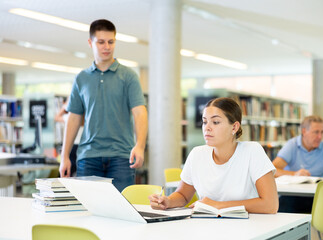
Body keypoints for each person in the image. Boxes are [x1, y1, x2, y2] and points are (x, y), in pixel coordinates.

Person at [59, 19, 148, 192]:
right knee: (90, 212)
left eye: (111, 42)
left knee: (123, 212)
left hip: (122, 156)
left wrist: (140, 145)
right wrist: (64, 156)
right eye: (101, 42)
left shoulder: (128, 76)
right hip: (88, 157)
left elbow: (140, 112)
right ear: (90, 42)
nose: (106, 46)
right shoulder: (81, 78)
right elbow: (74, 118)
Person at [149, 97, 278, 214]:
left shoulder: (252, 151)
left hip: (249, 228)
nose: (207, 128)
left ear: (234, 127)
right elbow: (183, 195)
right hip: (208, 226)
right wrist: (168, 201)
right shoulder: (197, 154)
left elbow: (270, 205)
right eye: (205, 122)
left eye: (215, 122)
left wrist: (218, 205)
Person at [273, 115, 323, 213]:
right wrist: (295, 174)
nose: (320, 137)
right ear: (304, 131)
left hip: (318, 196)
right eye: (316, 132)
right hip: (292, 195)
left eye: (322, 132)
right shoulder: (291, 146)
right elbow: (272, 171)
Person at [54, 98, 83, 177]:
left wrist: (64, 107)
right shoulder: (84, 116)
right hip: (83, 146)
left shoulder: (70, 117)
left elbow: (56, 117)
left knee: (66, 173)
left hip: (73, 146)